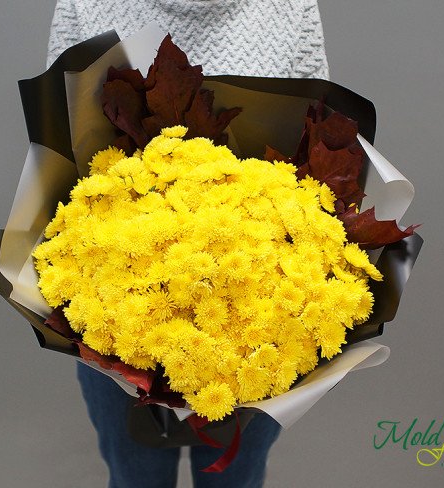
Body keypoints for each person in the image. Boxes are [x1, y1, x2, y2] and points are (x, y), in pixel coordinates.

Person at [46, 1, 329, 487]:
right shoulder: (86, 2)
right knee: (135, 477)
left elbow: (318, 141)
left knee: (234, 480)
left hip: (258, 323)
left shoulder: (290, 6)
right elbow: (55, 139)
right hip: (113, 300)